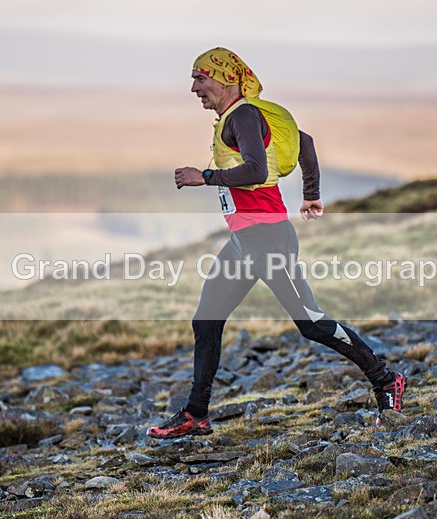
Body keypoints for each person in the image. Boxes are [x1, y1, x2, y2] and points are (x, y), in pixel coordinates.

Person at [147, 47, 406, 439]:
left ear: (225, 78)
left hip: (267, 237)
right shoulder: (238, 117)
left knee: (311, 323)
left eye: (200, 78)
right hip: (243, 241)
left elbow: (257, 169)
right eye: (193, 79)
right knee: (206, 320)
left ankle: (386, 381)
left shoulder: (245, 115)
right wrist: (311, 192)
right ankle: (196, 415)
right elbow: (304, 141)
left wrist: (205, 175)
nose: (194, 88)